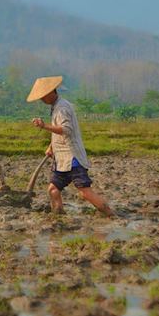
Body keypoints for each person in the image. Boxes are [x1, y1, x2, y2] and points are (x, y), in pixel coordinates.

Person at [26, 76, 114, 217]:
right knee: (53, 189)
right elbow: (59, 131)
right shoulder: (56, 107)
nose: (42, 100)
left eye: (43, 97)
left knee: (84, 192)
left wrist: (44, 126)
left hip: (72, 157)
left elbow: (66, 130)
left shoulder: (62, 108)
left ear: (51, 92)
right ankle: (59, 218)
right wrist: (51, 146)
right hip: (61, 159)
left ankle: (112, 215)